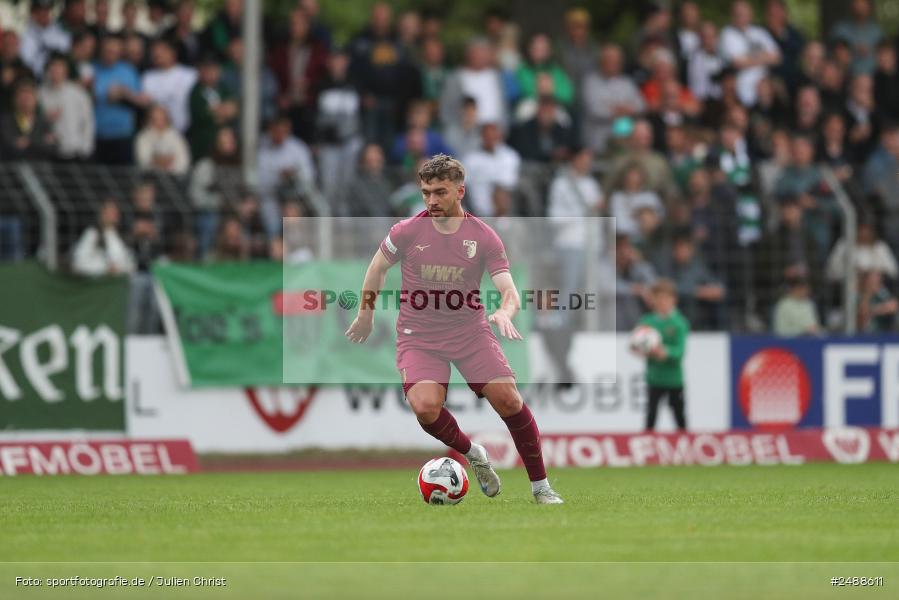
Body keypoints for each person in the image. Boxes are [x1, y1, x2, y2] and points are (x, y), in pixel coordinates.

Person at [344, 154, 563, 504]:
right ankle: (472, 452)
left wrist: (506, 312)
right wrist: (366, 313)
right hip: (420, 337)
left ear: (460, 191)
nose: (431, 200)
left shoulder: (484, 237)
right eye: (426, 192)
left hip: (469, 331)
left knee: (508, 399)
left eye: (440, 192)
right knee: (425, 408)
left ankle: (541, 488)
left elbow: (508, 290)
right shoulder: (407, 231)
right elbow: (377, 268)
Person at [636, 279, 689, 432]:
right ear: (653, 300)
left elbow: (680, 351)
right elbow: (635, 345)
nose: (662, 303)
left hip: (674, 380)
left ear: (674, 300)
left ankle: (686, 448)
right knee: (650, 416)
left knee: (679, 417)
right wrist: (643, 350)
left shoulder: (679, 323)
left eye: (666, 299)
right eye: (659, 299)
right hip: (654, 378)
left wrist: (664, 352)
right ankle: (646, 448)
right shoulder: (647, 321)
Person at [719, 0, 780, 107]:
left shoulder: (760, 32)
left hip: (765, 80)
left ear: (751, 14)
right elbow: (737, 63)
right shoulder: (727, 34)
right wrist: (763, 57)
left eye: (745, 14)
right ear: (732, 15)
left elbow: (776, 57)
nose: (742, 17)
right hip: (739, 83)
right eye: (738, 14)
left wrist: (749, 59)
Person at [38, 53, 94, 160]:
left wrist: (86, 147)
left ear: (66, 70)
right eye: (53, 67)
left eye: (60, 67)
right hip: (50, 151)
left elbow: (87, 122)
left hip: (76, 151)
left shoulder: (78, 93)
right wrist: (45, 118)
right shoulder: (40, 93)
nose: (56, 71)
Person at [71, 199, 135, 277]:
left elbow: (130, 263)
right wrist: (105, 269)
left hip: (120, 284)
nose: (113, 215)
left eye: (115, 212)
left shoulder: (122, 236)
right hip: (99, 284)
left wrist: (121, 269)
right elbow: (78, 263)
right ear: (101, 214)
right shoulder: (92, 234)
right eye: (109, 212)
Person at [135, 105, 191, 175]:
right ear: (149, 119)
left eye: (162, 118)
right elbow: (143, 160)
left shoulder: (176, 136)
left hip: (175, 177)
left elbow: (183, 161)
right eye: (155, 119)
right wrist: (160, 161)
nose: (159, 122)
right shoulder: (143, 137)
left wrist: (168, 167)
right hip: (151, 177)